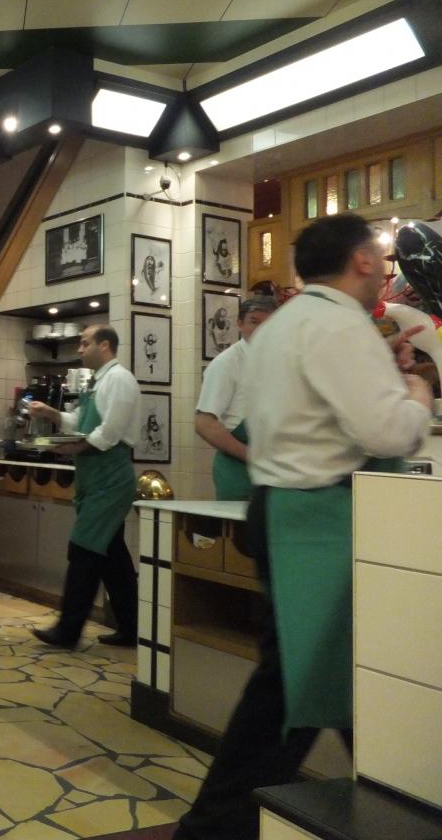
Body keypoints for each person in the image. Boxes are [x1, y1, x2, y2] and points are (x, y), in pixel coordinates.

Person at [174, 214, 431, 840]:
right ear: (363, 260)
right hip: (318, 522)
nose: (387, 268)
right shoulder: (340, 326)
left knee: (312, 681)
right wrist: (417, 391)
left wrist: (385, 372)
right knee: (304, 683)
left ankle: (396, 792)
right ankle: (216, 827)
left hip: (281, 509)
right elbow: (387, 432)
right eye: (379, 256)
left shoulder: (285, 326)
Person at [27, 325, 141, 649]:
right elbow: (80, 421)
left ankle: (68, 630)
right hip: (94, 477)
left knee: (84, 549)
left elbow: (110, 432)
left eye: (84, 343)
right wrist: (51, 413)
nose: (79, 349)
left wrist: (72, 448)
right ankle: (132, 628)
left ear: (104, 346)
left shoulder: (120, 379)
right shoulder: (97, 382)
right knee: (112, 556)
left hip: (111, 479)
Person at [195, 296, 277, 500]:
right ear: (240, 323)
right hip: (237, 468)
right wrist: (250, 455)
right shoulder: (226, 363)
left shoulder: (281, 360)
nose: (261, 330)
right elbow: (204, 424)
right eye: (254, 322)